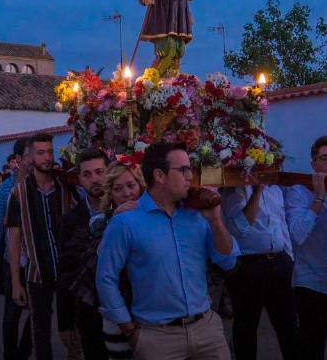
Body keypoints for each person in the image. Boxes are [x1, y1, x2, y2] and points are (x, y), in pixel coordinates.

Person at [96, 142, 237, 360]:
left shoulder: (197, 214)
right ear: (160, 176)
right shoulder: (125, 223)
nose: (190, 176)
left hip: (207, 330)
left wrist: (216, 221)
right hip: (157, 339)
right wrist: (131, 331)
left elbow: (228, 261)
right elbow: (105, 279)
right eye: (183, 170)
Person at [7, 133, 75, 360]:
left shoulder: (66, 188)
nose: (47, 157)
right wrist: (16, 283)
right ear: (30, 158)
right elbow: (14, 241)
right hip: (37, 274)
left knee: (73, 328)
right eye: (41, 153)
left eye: (50, 152)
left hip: (67, 272)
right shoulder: (18, 193)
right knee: (41, 333)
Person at [221, 173, 297, 359]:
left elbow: (281, 223)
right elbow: (239, 229)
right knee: (246, 327)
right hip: (249, 266)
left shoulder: (276, 190)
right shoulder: (234, 191)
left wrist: (289, 258)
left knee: (288, 325)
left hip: (280, 262)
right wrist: (256, 192)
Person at [77, 159, 145, 360]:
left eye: (131, 185)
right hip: (118, 311)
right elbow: (94, 266)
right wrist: (114, 223)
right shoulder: (100, 221)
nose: (126, 193)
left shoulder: (154, 216)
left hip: (151, 309)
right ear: (111, 194)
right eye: (118, 189)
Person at [285, 136, 327, 360]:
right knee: (312, 345)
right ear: (313, 163)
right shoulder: (298, 192)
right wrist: (319, 197)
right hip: (312, 282)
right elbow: (298, 234)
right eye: (325, 158)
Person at [58, 148, 110, 359]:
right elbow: (64, 273)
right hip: (88, 314)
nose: (94, 179)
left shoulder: (126, 211)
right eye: (87, 174)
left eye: (99, 172)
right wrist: (65, 322)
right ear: (79, 179)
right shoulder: (71, 220)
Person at [0, 138, 33, 360]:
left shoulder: (43, 186)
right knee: (11, 315)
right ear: (18, 159)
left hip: (37, 263)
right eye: (31, 154)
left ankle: (23, 352)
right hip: (10, 261)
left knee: (38, 314)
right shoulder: (4, 190)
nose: (36, 159)